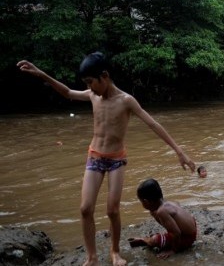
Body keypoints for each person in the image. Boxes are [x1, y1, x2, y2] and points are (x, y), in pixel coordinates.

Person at [17, 53, 195, 266]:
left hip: (116, 160)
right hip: (95, 156)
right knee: (85, 208)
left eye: (91, 82)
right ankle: (91, 257)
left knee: (112, 210)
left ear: (105, 76)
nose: (89, 88)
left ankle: (115, 252)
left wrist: (179, 151)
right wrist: (40, 74)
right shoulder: (93, 96)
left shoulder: (126, 101)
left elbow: (153, 124)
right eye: (86, 84)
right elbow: (66, 92)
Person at [128, 179, 197, 259]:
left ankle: (146, 240)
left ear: (146, 201)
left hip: (187, 238)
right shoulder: (168, 203)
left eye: (141, 202)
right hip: (192, 228)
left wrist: (173, 250)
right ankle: (155, 239)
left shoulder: (161, 211)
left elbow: (176, 233)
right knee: (156, 218)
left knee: (154, 240)